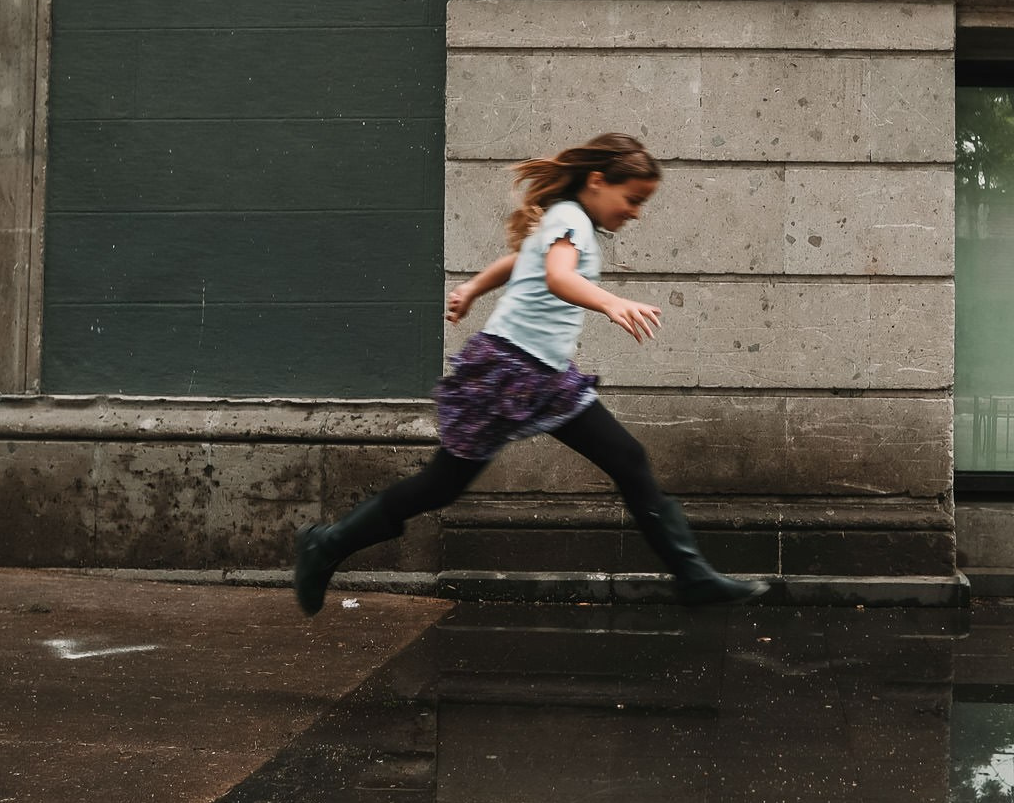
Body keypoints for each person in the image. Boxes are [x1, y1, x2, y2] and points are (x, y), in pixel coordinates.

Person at [291, 132, 770, 614]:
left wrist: (474, 287)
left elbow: (524, 259)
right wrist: (610, 302)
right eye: (632, 199)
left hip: (543, 374)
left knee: (626, 458)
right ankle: (327, 544)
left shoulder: (566, 219)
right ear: (598, 181)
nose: (636, 212)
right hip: (510, 371)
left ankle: (693, 576)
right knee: (441, 485)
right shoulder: (571, 219)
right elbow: (558, 276)